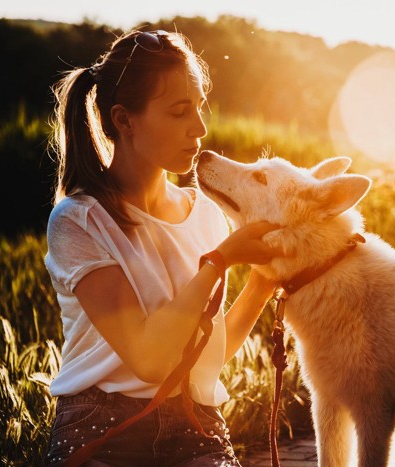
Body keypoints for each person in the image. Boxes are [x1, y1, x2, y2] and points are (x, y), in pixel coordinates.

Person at [44, 29, 281, 466]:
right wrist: (223, 259)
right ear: (124, 119)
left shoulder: (206, 213)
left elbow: (202, 357)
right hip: (101, 424)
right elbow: (150, 359)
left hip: (196, 424)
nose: (201, 128)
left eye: (200, 107)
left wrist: (262, 284)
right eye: (179, 111)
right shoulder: (79, 221)